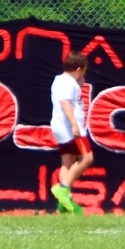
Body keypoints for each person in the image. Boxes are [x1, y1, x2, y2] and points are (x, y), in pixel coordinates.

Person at [49, 51, 93, 215]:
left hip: (59, 127)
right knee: (87, 158)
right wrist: (74, 124)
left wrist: (78, 86)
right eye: (84, 71)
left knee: (67, 162)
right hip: (70, 127)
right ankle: (63, 188)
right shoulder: (69, 83)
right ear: (79, 69)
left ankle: (62, 207)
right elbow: (65, 103)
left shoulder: (59, 80)